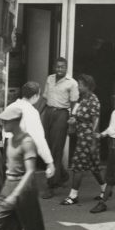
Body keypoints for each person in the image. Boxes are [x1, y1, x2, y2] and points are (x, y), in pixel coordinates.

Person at [61, 74, 104, 205]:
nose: (78, 87)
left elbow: (96, 121)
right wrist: (74, 120)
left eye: (80, 85)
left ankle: (73, 195)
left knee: (78, 165)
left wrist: (93, 142)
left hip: (88, 138)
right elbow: (78, 115)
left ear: (88, 86)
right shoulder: (82, 99)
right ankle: (105, 188)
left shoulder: (93, 100)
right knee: (94, 166)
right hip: (81, 137)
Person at [40, 57, 78, 196]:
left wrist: (73, 119)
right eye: (57, 67)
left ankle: (51, 185)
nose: (59, 69)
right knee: (47, 146)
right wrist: (37, 113)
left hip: (62, 115)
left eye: (62, 67)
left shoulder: (72, 83)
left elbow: (74, 103)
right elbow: (45, 98)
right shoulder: (50, 79)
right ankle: (62, 174)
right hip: (49, 113)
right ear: (54, 67)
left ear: (66, 68)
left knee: (56, 149)